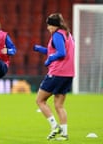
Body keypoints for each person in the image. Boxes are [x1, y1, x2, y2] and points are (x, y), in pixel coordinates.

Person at [33, 13, 75, 141]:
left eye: (49, 25)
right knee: (59, 105)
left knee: (40, 100)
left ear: (54, 25)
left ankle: (54, 126)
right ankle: (64, 134)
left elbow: (61, 53)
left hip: (57, 73)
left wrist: (49, 59)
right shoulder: (67, 34)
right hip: (68, 74)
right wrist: (41, 49)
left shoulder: (57, 35)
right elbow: (57, 50)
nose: (47, 28)